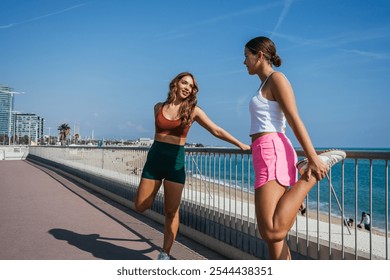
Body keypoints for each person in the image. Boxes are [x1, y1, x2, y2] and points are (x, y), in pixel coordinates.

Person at [244, 36, 346, 260]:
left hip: (272, 151)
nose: (244, 62)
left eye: (247, 56)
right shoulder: (263, 84)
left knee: (271, 231)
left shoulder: (277, 79)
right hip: (264, 152)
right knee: (276, 239)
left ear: (259, 55)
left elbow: (293, 118)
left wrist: (313, 158)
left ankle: (308, 175)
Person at [134, 72, 250, 260]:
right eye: (184, 83)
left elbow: (216, 130)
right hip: (154, 161)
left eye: (191, 86)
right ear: (176, 84)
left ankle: (165, 253)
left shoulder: (193, 110)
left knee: (171, 211)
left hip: (176, 164)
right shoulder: (158, 107)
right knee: (140, 205)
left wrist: (240, 144)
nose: (188, 87)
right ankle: (160, 199)